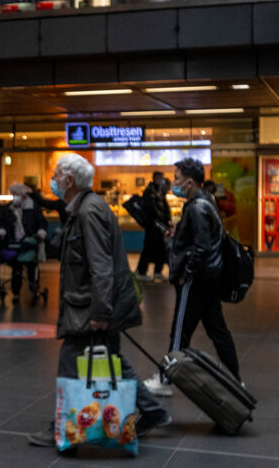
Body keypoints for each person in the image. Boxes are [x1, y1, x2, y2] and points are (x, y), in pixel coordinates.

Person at [28, 154, 171, 447]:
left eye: (56, 175)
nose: (53, 180)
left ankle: (62, 427)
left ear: (69, 181)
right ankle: (154, 412)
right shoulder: (88, 206)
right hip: (99, 304)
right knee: (113, 359)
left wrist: (101, 312)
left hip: (92, 308)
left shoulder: (87, 212)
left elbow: (101, 267)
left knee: (70, 363)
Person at [144, 159, 241, 398]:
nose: (173, 183)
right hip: (209, 277)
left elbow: (202, 246)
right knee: (218, 330)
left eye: (176, 179)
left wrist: (186, 274)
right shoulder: (205, 202)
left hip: (196, 279)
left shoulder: (196, 207)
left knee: (180, 330)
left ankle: (165, 379)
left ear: (189, 182)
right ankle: (236, 380)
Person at [0, 183, 47, 303]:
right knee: (16, 268)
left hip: (29, 243)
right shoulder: (7, 208)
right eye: (13, 194)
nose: (15, 197)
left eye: (17, 194)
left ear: (24, 196)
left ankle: (33, 288)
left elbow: (41, 222)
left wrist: (40, 232)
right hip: (13, 243)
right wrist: (2, 230)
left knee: (31, 267)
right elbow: (2, 222)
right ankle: (16, 292)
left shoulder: (33, 207)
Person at [136, 172, 171, 282]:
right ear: (156, 178)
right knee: (149, 248)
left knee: (160, 248)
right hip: (153, 224)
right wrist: (158, 218)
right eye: (161, 178)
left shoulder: (158, 190)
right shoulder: (150, 190)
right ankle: (141, 271)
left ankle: (157, 271)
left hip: (158, 224)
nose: (162, 180)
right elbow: (151, 207)